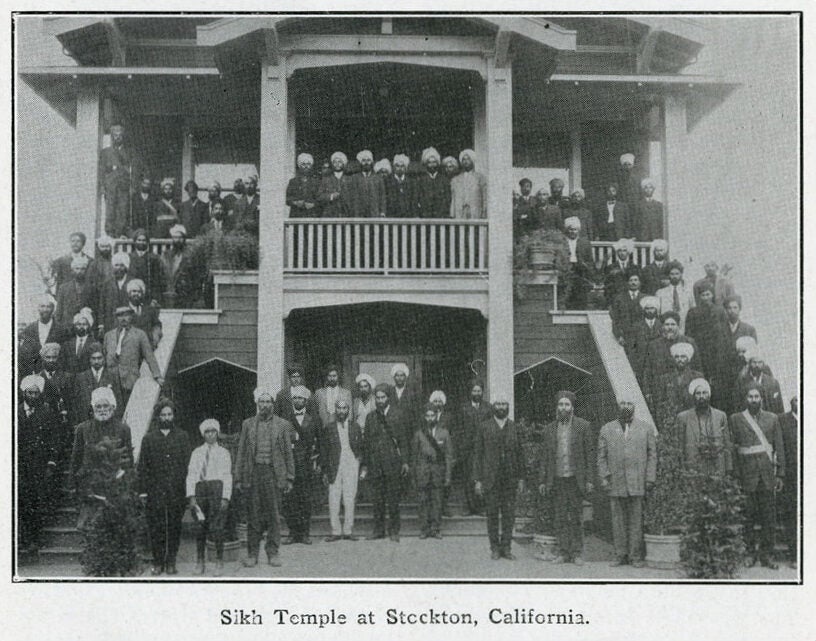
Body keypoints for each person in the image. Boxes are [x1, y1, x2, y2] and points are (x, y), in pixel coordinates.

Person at [235, 387, 295, 567]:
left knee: (274, 515)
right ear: (257, 403)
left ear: (273, 404)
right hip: (254, 474)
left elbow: (287, 453)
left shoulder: (282, 425)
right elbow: (241, 452)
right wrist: (238, 477)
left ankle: (273, 552)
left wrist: (290, 477)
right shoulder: (248, 424)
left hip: (274, 474)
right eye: (262, 402)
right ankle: (252, 553)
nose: (265, 405)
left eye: (268, 402)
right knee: (254, 515)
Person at [729, 383, 785, 568]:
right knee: (748, 517)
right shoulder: (736, 419)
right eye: (750, 397)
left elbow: (779, 448)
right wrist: (736, 475)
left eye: (756, 396)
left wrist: (780, 475)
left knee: (769, 518)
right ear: (745, 399)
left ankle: (767, 555)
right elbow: (733, 448)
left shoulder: (772, 418)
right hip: (747, 475)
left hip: (767, 474)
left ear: (761, 398)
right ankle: (749, 553)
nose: (753, 400)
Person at [597, 395, 656, 567]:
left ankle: (635, 556)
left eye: (629, 403)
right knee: (618, 520)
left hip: (637, 482)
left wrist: (650, 477)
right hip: (616, 481)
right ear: (618, 405)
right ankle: (619, 555)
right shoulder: (607, 429)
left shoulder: (646, 428)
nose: (626, 406)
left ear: (634, 406)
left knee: (636, 520)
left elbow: (652, 454)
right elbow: (601, 457)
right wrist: (604, 477)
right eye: (623, 403)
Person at [136, 398, 191, 576]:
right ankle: (158, 562)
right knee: (156, 526)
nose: (166, 417)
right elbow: (143, 466)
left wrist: (187, 491)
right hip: (155, 491)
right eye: (163, 414)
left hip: (176, 491)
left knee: (175, 526)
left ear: (173, 415)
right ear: (158, 416)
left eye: (169, 414)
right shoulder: (149, 438)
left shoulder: (182, 437)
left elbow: (188, 465)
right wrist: (143, 491)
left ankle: (171, 562)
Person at [539, 391, 594, 565]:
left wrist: (590, 480)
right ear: (557, 407)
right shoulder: (549, 429)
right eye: (561, 404)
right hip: (558, 479)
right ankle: (563, 552)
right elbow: (545, 457)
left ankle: (577, 553)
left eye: (566, 404)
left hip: (575, 479)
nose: (563, 408)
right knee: (560, 516)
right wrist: (542, 480)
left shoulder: (582, 426)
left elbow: (589, 455)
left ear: (572, 407)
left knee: (576, 516)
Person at [70, 386, 134, 529]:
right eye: (98, 406)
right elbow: (76, 459)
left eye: (106, 406)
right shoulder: (83, 429)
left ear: (113, 407)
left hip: (114, 486)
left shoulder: (123, 429)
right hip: (90, 487)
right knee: (89, 528)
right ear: (93, 408)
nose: (102, 409)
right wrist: (73, 485)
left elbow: (128, 459)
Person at [473, 393, 525, 560]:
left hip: (509, 479)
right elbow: (478, 455)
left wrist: (521, 478)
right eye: (498, 404)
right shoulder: (484, 427)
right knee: (492, 515)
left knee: (509, 515)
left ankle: (507, 548)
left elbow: (520, 455)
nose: (501, 407)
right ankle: (494, 548)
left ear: (507, 407)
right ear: (493, 407)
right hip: (491, 479)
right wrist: (478, 480)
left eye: (504, 404)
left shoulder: (514, 427)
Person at [361, 383, 411, 542]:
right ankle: (378, 530)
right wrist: (366, 464)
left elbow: (404, 440)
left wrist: (405, 462)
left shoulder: (399, 415)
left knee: (393, 500)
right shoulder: (371, 417)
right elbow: (367, 443)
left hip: (393, 464)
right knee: (377, 500)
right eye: (377, 397)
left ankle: (394, 531)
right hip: (375, 465)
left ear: (388, 398)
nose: (380, 400)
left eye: (383, 397)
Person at [18, 374, 60, 552]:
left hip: (39, 465)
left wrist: (51, 462)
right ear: (24, 393)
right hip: (20, 466)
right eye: (30, 393)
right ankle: (22, 539)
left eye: (36, 393)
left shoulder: (47, 412)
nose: (33, 396)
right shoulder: (16, 412)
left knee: (36, 502)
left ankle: (35, 539)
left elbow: (54, 439)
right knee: (21, 502)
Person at [187, 418, 233, 576]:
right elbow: (191, 474)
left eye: (213, 431)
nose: (210, 435)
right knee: (200, 527)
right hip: (201, 490)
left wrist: (225, 497)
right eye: (207, 432)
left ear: (217, 433)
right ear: (203, 434)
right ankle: (200, 561)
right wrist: (191, 496)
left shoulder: (223, 453)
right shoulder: (197, 453)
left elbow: (227, 475)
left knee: (217, 527)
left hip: (216, 489)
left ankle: (219, 561)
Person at [103, 306, 163, 407]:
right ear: (116, 318)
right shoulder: (108, 335)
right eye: (120, 316)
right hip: (112, 380)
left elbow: (149, 355)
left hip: (130, 379)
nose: (123, 318)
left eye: (126, 315)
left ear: (131, 317)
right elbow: (104, 355)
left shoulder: (139, 334)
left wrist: (157, 375)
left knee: (130, 408)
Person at [320, 399, 363, 542]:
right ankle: (336, 531)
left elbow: (361, 447)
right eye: (339, 408)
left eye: (344, 408)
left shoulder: (355, 427)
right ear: (335, 410)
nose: (341, 411)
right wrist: (325, 470)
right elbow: (324, 451)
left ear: (348, 410)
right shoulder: (329, 427)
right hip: (334, 464)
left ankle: (348, 530)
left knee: (349, 497)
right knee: (334, 497)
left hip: (351, 462)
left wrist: (360, 464)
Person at [282, 385, 319, 545]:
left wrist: (316, 460)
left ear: (305, 401)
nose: (298, 400)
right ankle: (292, 532)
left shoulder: (313, 420)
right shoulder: (285, 420)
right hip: (289, 464)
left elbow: (319, 442)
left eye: (301, 398)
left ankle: (304, 533)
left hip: (306, 465)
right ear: (292, 401)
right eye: (295, 398)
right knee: (290, 499)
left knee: (305, 499)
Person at [413, 403, 454, 539]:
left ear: (437, 416)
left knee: (437, 501)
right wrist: (415, 475)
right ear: (424, 417)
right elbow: (414, 456)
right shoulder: (419, 434)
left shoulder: (444, 433)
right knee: (423, 501)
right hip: (423, 472)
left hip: (438, 472)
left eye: (432, 415)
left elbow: (448, 456)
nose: (430, 418)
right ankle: (424, 529)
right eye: (427, 416)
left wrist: (447, 476)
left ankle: (435, 528)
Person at [677, 378, 732, 477]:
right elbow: (680, 447)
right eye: (698, 393)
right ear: (693, 396)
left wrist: (728, 469)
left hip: (717, 467)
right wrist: (682, 470)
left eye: (704, 393)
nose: (701, 396)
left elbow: (727, 445)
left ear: (709, 395)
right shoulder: (683, 418)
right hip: (693, 469)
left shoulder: (721, 416)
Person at [454, 379, 491, 516]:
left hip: (483, 448)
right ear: (470, 392)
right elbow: (458, 428)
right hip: (467, 449)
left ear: (482, 392)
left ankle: (481, 507)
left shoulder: (488, 408)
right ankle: (469, 507)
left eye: (479, 391)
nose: (476, 393)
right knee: (468, 477)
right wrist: (460, 446)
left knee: (481, 477)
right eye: (474, 391)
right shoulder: (464, 408)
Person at [684, 280, 729, 386]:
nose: (706, 297)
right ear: (699, 297)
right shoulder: (693, 312)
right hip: (700, 350)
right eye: (703, 295)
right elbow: (688, 333)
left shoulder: (720, 311)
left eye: (708, 294)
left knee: (716, 380)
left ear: (712, 295)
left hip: (716, 351)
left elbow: (725, 332)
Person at [100, 124, 140, 238]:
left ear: (123, 136)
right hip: (110, 184)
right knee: (110, 208)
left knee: (123, 208)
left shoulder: (129, 152)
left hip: (124, 184)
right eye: (115, 135)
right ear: (112, 136)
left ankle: (121, 231)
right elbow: (102, 170)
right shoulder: (105, 152)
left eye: (120, 135)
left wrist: (133, 186)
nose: (118, 137)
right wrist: (102, 186)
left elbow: (135, 170)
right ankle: (110, 232)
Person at [18, 295, 71, 376]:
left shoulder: (61, 330)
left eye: (48, 306)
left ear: (53, 309)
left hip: (55, 374)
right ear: (38, 308)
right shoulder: (29, 329)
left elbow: (65, 354)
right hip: (34, 374)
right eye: (42, 306)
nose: (45, 310)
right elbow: (26, 355)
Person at [73, 342, 124, 421]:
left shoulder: (112, 376)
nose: (96, 361)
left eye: (99, 358)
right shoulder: (81, 377)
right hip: (87, 422)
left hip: (107, 421)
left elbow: (119, 402)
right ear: (89, 359)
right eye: (93, 358)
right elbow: (76, 403)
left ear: (104, 358)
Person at [38, 342, 76, 443]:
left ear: (58, 358)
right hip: (43, 424)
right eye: (48, 357)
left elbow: (73, 403)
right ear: (43, 358)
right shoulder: (37, 378)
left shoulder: (68, 378)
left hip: (62, 424)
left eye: (54, 357)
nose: (51, 360)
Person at [778, 396, 798, 568]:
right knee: (792, 513)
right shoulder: (783, 420)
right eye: (796, 400)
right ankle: (794, 554)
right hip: (792, 476)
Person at [160, 224, 199, 308]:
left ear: (184, 239)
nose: (178, 240)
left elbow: (195, 276)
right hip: (169, 293)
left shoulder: (190, 255)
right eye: (175, 237)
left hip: (185, 293)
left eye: (180, 237)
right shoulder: (166, 255)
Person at [430, 390, 454, 516]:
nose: (437, 403)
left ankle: (444, 507)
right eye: (435, 401)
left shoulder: (448, 416)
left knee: (445, 480)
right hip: (431, 451)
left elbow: (453, 433)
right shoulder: (427, 415)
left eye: (439, 401)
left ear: (443, 403)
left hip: (444, 451)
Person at [97, 251, 133, 336]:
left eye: (121, 265)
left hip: (128, 322)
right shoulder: (107, 284)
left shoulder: (132, 282)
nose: (119, 268)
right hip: (111, 322)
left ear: (126, 267)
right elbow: (101, 305)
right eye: (116, 265)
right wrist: (101, 324)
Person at [562, 216, 594, 309]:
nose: (572, 232)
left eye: (575, 230)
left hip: (580, 270)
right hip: (567, 268)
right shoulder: (563, 242)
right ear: (567, 230)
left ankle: (580, 307)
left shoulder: (584, 243)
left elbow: (590, 260)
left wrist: (586, 266)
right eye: (570, 229)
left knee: (580, 288)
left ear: (578, 230)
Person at [610, 273, 644, 360]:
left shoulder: (645, 298)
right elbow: (615, 318)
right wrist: (619, 335)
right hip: (625, 336)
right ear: (627, 283)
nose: (633, 283)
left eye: (636, 280)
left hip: (641, 336)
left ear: (640, 282)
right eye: (631, 280)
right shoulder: (619, 298)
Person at [629, 296, 663, 383]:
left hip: (657, 361)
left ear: (656, 309)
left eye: (652, 308)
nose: (650, 311)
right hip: (641, 362)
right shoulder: (636, 326)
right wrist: (634, 365)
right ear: (644, 310)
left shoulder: (662, 325)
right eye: (647, 308)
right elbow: (632, 347)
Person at [655, 260, 695, 332]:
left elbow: (693, 311)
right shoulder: (660, 293)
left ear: (681, 274)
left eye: (677, 274)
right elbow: (657, 314)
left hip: (684, 327)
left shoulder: (688, 292)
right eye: (672, 274)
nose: (674, 276)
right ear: (668, 275)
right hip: (666, 328)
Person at [344, 150, 386, 218]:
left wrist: (382, 211)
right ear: (360, 162)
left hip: (374, 213)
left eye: (368, 160)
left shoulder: (378, 178)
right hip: (358, 213)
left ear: (372, 162)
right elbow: (350, 197)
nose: (366, 163)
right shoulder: (354, 178)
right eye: (364, 160)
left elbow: (382, 196)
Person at [128, 229, 165, 303]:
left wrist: (155, 297)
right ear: (135, 241)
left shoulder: (154, 258)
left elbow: (156, 280)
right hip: (133, 294)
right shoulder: (129, 257)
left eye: (144, 240)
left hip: (148, 295)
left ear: (147, 242)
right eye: (139, 240)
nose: (141, 242)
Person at [55, 255, 93, 326]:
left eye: (82, 269)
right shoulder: (63, 288)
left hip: (86, 327)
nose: (79, 271)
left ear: (86, 270)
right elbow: (59, 312)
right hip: (67, 327)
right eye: (77, 268)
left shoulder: (92, 287)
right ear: (72, 270)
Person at [602, 238, 641, 306]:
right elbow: (607, 287)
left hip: (631, 301)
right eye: (620, 250)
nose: (622, 253)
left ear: (628, 252)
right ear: (617, 252)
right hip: (616, 300)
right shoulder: (610, 268)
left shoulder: (635, 268)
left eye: (624, 250)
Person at [450, 149, 486, 219]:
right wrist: (452, 214)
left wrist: (484, 213)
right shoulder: (456, 179)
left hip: (475, 212)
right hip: (460, 212)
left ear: (472, 161)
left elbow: (484, 197)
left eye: (468, 159)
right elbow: (453, 198)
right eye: (463, 159)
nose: (466, 162)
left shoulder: (480, 178)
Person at [126, 279, 162, 348]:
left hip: (148, 348)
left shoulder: (148, 310)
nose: (136, 294)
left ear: (142, 294)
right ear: (129, 293)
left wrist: (155, 335)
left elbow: (157, 324)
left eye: (139, 292)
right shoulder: (124, 311)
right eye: (134, 291)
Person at [416, 147, 451, 218]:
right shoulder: (420, 180)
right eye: (429, 162)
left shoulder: (444, 180)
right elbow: (418, 198)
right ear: (426, 164)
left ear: (438, 163)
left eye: (434, 162)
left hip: (441, 216)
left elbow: (447, 198)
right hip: (425, 216)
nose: (432, 165)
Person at [61, 308, 96, 374]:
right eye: (79, 324)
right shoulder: (67, 344)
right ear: (75, 326)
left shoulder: (94, 344)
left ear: (89, 326)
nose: (81, 327)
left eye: (84, 324)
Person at [286, 153, 320, 218]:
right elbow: (287, 199)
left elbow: (321, 199)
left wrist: (313, 204)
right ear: (299, 166)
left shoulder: (317, 182)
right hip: (296, 215)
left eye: (308, 164)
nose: (306, 166)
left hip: (312, 215)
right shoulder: (293, 182)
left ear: (311, 166)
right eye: (303, 164)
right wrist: (296, 203)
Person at [317, 152, 351, 218]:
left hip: (346, 215)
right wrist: (331, 196)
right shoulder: (326, 179)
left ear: (343, 163)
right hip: (329, 215)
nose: (337, 164)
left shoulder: (349, 179)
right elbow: (319, 196)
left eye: (339, 162)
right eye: (335, 162)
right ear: (332, 164)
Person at [388, 362, 420, 430]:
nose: (399, 378)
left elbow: (416, 413)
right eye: (397, 375)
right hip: (392, 427)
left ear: (405, 377)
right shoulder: (390, 391)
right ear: (394, 377)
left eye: (402, 375)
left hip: (408, 427)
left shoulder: (412, 393)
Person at [385, 154, 417, 218]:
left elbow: (413, 200)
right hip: (392, 216)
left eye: (402, 166)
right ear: (394, 167)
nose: (400, 168)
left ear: (405, 168)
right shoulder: (387, 181)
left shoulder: (411, 182)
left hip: (407, 216)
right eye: (397, 166)